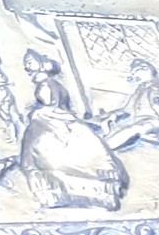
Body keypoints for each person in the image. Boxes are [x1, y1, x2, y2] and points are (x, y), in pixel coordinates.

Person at [14, 51, 128, 211]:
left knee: (40, 156)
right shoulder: (53, 83)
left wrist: (37, 112)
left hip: (49, 120)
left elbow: (49, 102)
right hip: (60, 119)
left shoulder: (47, 84)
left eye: (29, 62)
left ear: (40, 64)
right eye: (26, 63)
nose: (26, 66)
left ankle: (61, 192)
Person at [100, 57, 159, 156]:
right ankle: (104, 147)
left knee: (136, 128)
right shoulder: (140, 89)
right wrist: (114, 114)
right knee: (119, 126)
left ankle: (103, 149)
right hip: (146, 121)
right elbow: (127, 109)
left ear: (146, 70)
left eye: (135, 72)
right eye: (132, 73)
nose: (133, 76)